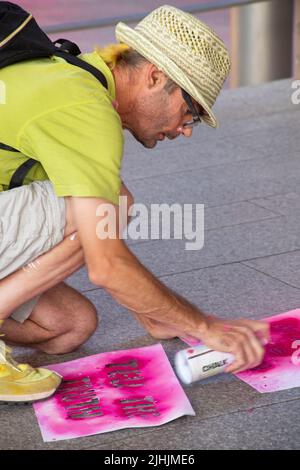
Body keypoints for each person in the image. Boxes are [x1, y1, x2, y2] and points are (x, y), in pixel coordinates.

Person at [0, 5, 270, 403]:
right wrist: (204, 325)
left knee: (70, 326)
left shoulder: (70, 73)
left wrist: (151, 312)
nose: (185, 129)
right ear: (155, 76)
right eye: (190, 110)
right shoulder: (84, 109)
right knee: (116, 203)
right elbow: (105, 263)